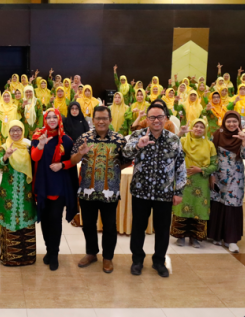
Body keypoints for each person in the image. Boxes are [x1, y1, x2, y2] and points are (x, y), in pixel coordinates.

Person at [122, 101, 186, 278]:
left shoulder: (173, 139)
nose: (156, 120)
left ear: (165, 118)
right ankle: (137, 260)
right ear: (147, 119)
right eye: (152, 117)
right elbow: (124, 155)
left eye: (160, 117)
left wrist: (179, 191)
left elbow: (180, 166)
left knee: (162, 229)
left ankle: (159, 261)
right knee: (138, 227)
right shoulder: (137, 135)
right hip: (141, 192)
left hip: (164, 193)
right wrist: (137, 146)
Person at [70, 106, 126, 273]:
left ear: (110, 120)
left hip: (110, 192)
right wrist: (80, 153)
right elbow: (72, 161)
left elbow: (126, 162)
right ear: (93, 120)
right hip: (87, 190)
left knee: (109, 225)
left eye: (104, 118)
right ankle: (91, 253)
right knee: (88, 224)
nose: (101, 121)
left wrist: (111, 172)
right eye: (98, 118)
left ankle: (108, 257)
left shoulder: (119, 139)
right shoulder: (84, 138)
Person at [31, 108, 78, 271]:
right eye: (48, 117)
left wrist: (62, 165)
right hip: (43, 184)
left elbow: (72, 161)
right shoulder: (38, 137)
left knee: (55, 220)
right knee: (44, 220)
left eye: (54, 117)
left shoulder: (66, 140)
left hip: (59, 186)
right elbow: (34, 157)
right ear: (44, 119)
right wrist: (42, 145)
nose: (51, 120)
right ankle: (49, 250)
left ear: (59, 119)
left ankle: (54, 254)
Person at [0, 120, 37, 267]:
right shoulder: (5, 146)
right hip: (9, 193)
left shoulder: (29, 146)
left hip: (26, 193)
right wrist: (6, 156)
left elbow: (37, 160)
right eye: (12, 130)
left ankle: (27, 257)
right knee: (9, 222)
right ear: (8, 132)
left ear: (23, 131)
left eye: (18, 130)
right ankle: (9, 257)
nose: (16, 133)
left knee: (26, 221)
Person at [207, 110, 245, 253]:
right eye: (229, 121)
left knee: (232, 204)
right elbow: (212, 156)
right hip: (219, 175)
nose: (231, 124)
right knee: (217, 203)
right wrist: (212, 175)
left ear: (239, 122)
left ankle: (231, 240)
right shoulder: (217, 135)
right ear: (224, 122)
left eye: (234, 121)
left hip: (235, 176)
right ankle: (216, 236)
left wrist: (244, 141)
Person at [171, 118, 217, 248]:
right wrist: (180, 133)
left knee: (198, 208)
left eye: (201, 127)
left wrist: (200, 169)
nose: (198, 129)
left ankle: (195, 237)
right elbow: (170, 146)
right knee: (181, 206)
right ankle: (180, 236)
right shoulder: (183, 141)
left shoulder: (210, 145)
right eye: (196, 126)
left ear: (205, 130)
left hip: (201, 182)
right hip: (183, 179)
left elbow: (214, 165)